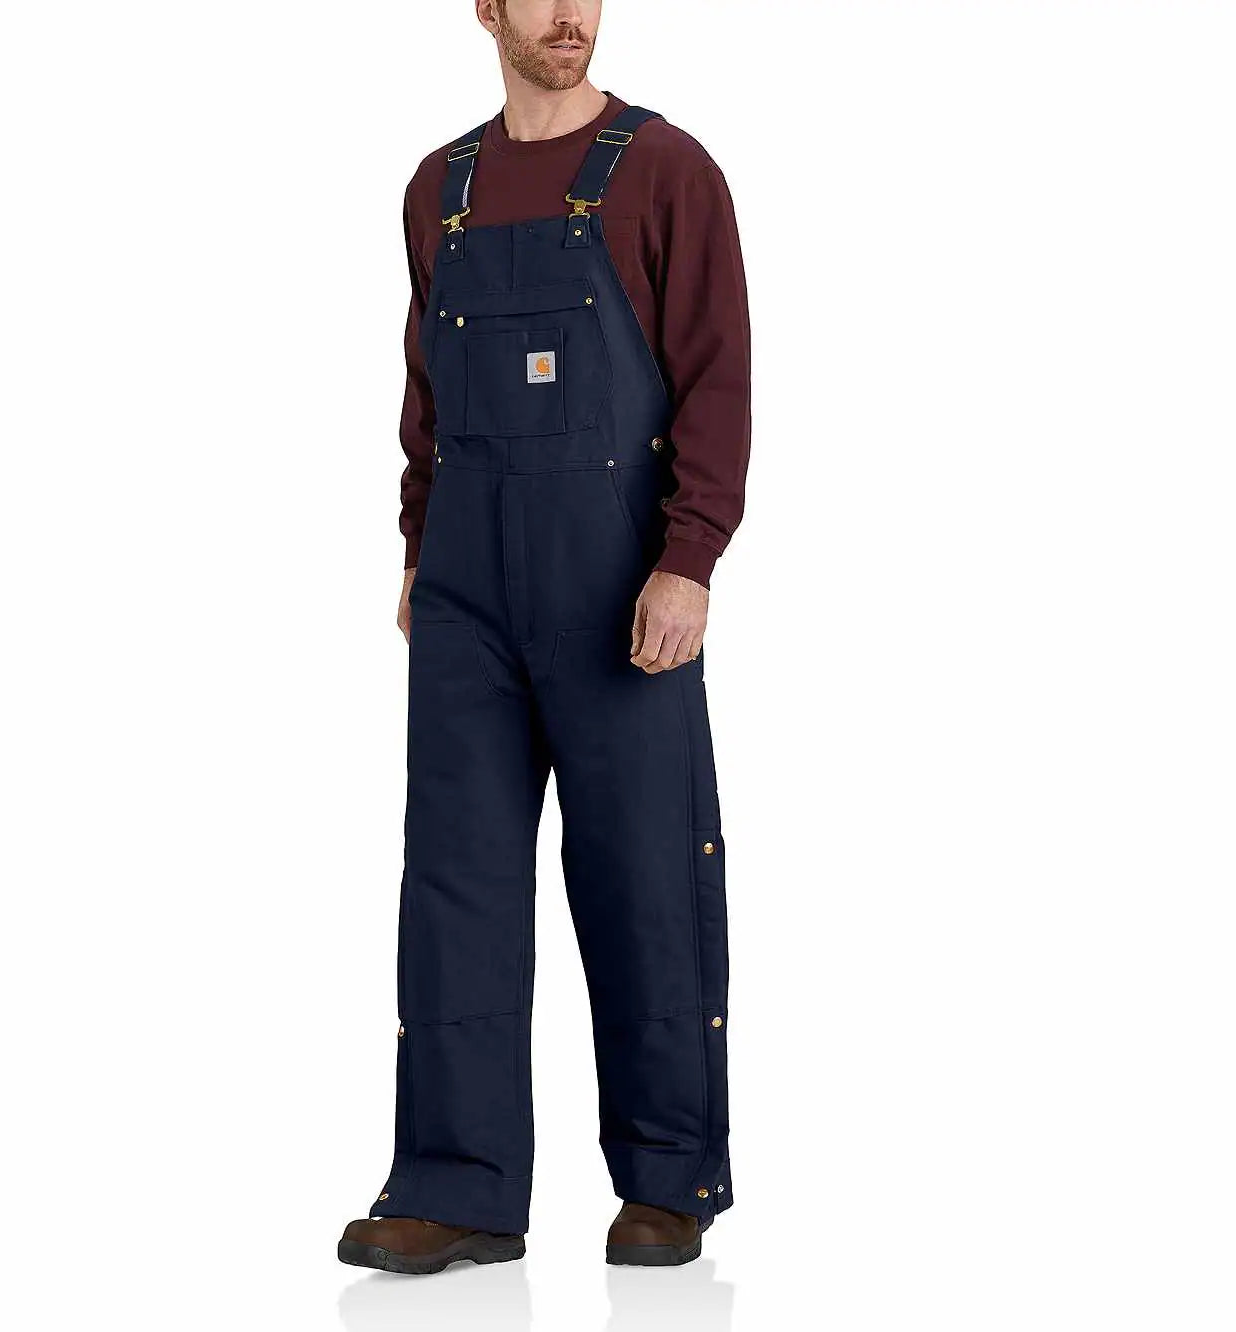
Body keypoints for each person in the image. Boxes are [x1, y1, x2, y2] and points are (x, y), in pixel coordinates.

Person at [339, 0, 751, 1274]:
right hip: (464, 585)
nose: (571, 14)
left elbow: (716, 376)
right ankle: (456, 1186)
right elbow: (425, 388)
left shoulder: (666, 169)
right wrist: (419, 545)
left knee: (640, 875)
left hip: (617, 579)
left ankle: (667, 1179)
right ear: (487, 8)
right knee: (453, 881)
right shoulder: (440, 188)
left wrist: (687, 559)